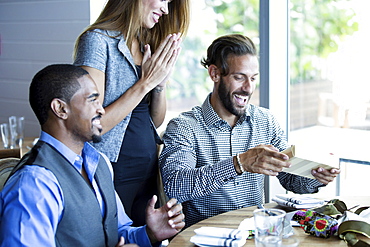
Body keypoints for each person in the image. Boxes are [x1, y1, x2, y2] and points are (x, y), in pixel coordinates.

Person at [159, 34, 341, 228]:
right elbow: (175, 186)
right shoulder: (184, 126)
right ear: (215, 74)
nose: (248, 88)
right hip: (206, 239)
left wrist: (316, 177)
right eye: (239, 77)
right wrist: (239, 163)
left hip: (255, 236)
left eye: (253, 78)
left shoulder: (265, 121)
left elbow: (290, 179)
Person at [0, 64, 185, 247]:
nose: (102, 109)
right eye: (92, 100)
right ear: (60, 109)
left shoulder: (99, 163)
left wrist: (149, 233)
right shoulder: (34, 183)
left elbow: (117, 233)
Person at [73, 0, 190, 227]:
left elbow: (152, 120)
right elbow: (90, 123)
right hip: (113, 172)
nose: (166, 9)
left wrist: (159, 85)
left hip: (147, 171)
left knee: (146, 239)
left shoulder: (144, 43)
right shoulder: (98, 41)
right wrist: (145, 83)